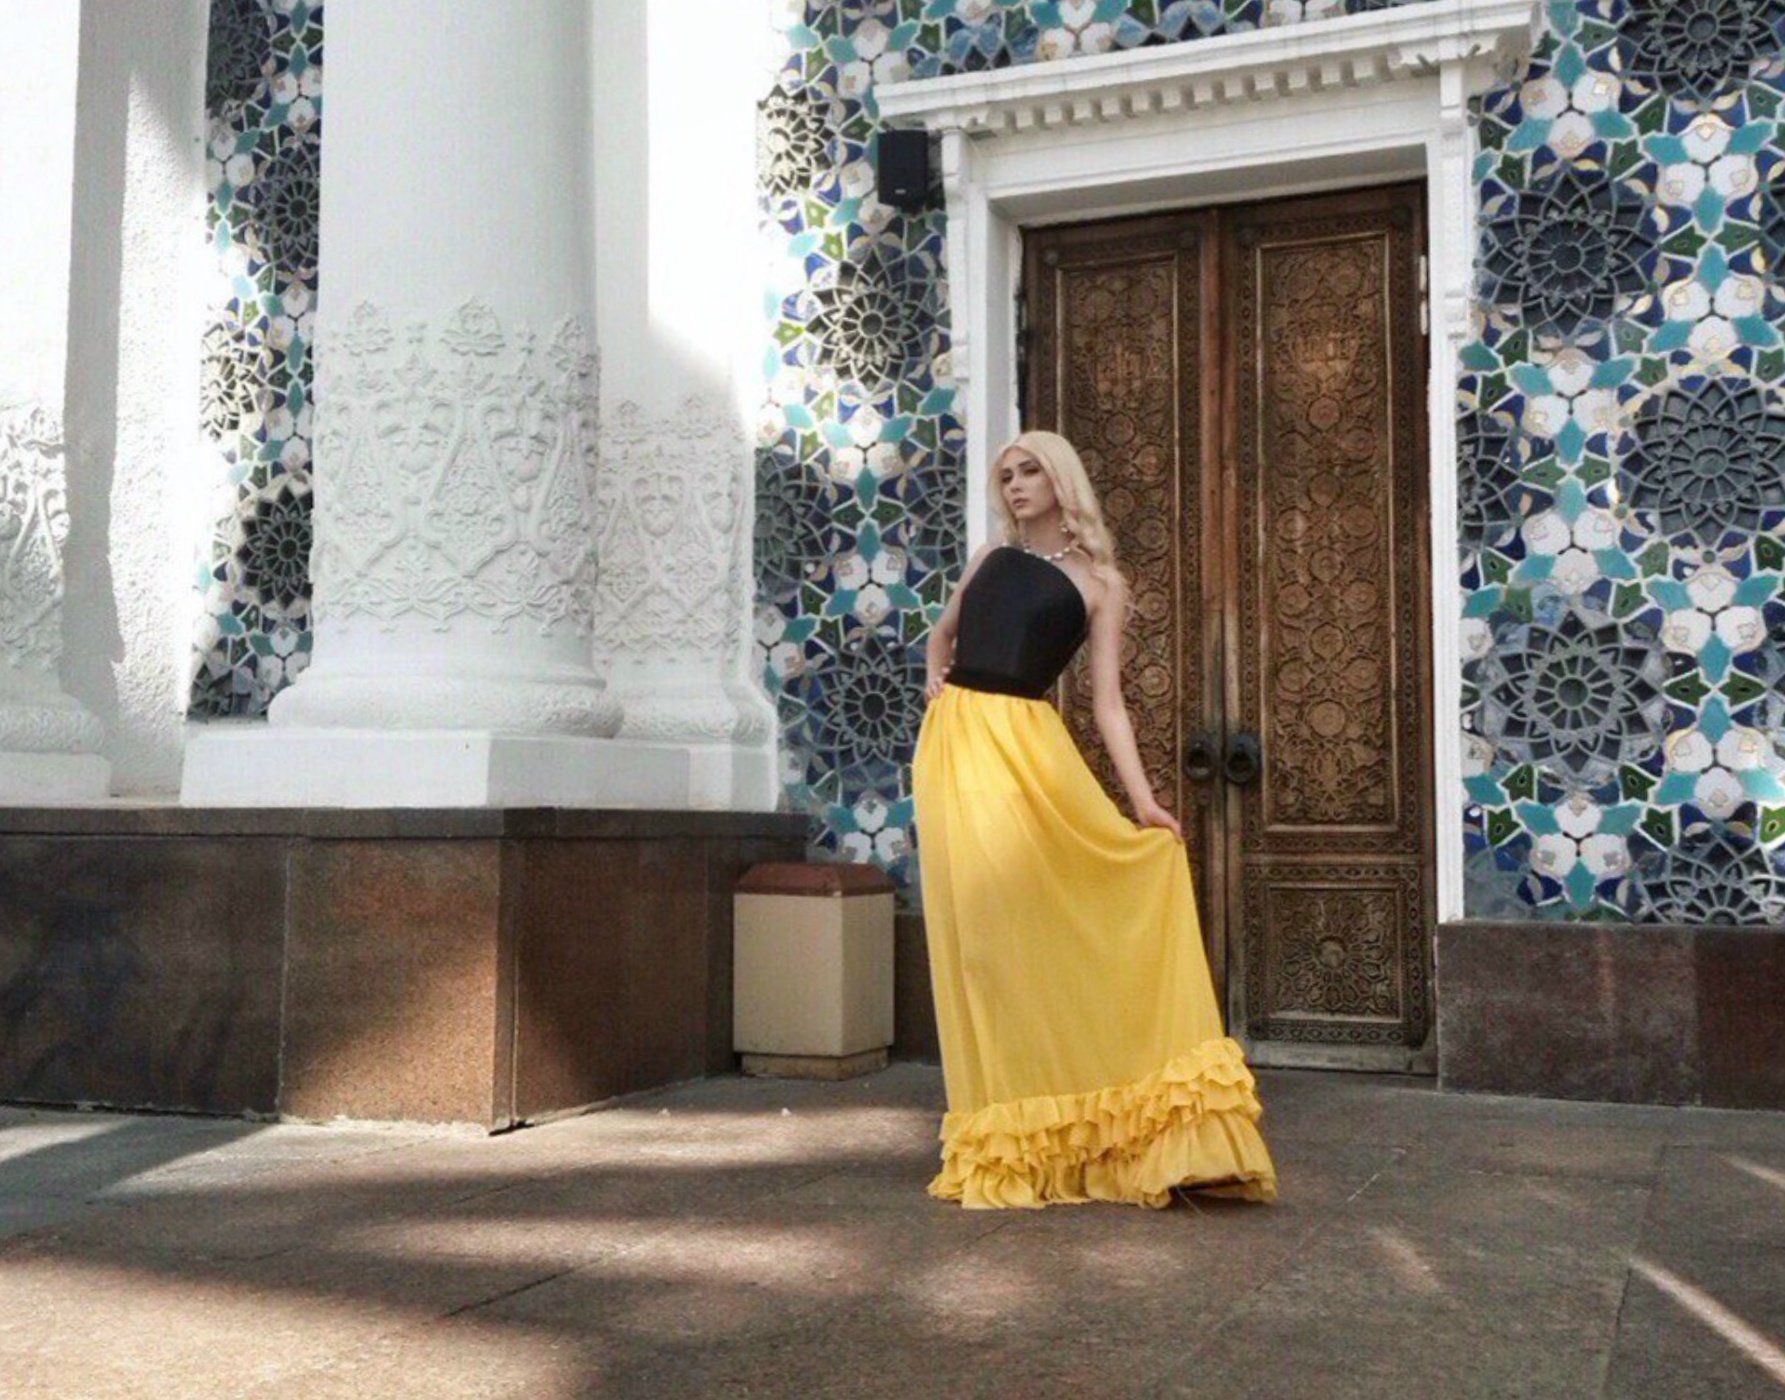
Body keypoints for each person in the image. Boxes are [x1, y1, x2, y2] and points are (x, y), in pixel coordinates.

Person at [912, 430, 1278, 1210]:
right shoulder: (989, 557)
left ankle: (1095, 1119)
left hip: (1027, 742)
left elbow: (1107, 703)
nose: (1014, 485)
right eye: (1005, 475)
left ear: (1060, 479)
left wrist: (1142, 801)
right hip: (956, 744)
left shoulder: (1101, 583)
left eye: (1029, 471)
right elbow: (940, 636)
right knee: (981, 934)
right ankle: (1006, 1130)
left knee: (1038, 919)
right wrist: (935, 684)